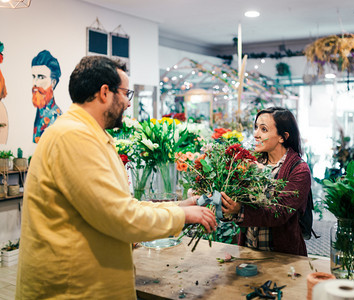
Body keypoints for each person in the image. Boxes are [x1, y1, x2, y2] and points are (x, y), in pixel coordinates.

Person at [16, 56, 217, 299]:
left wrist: (177, 205)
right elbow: (119, 217)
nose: (128, 104)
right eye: (125, 94)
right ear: (104, 93)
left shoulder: (88, 133)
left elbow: (118, 203)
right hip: (73, 289)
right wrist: (181, 216)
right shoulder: (73, 137)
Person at [221, 107, 311, 256]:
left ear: (283, 137)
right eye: (256, 128)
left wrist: (240, 210)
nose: (256, 134)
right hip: (249, 251)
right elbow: (236, 201)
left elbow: (280, 212)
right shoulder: (250, 163)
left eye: (263, 129)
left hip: (282, 258)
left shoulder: (299, 170)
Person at [31, 50, 63, 143]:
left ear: (53, 83)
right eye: (33, 76)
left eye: (41, 77)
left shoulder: (57, 120)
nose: (35, 83)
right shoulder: (40, 112)